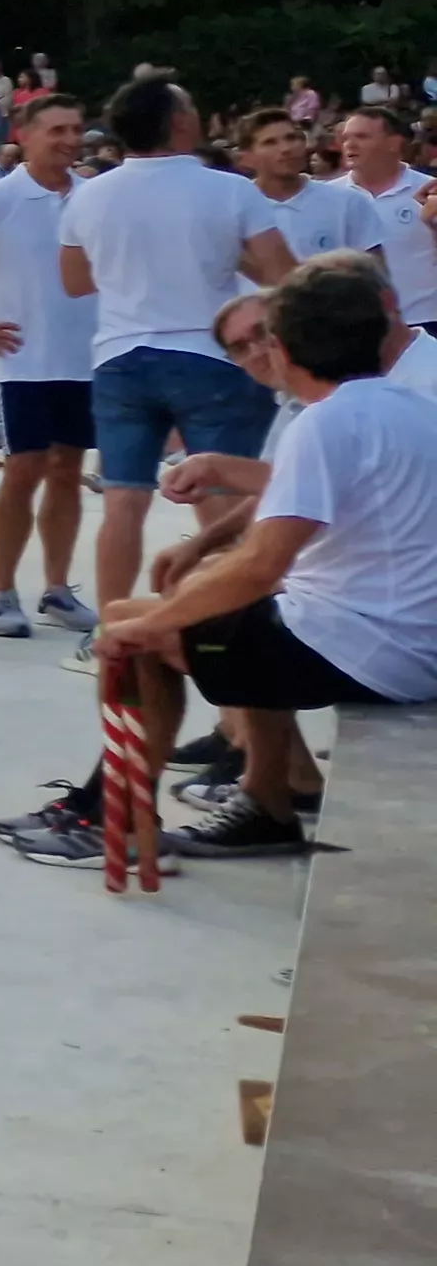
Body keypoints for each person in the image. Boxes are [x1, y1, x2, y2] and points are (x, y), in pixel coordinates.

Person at [76, 256, 437, 861]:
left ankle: (112, 820)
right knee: (236, 617)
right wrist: (200, 562)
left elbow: (260, 566)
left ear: (286, 351)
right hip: (401, 640)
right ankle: (267, 798)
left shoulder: (326, 422)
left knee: (130, 621)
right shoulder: (413, 410)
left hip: (371, 650)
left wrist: (150, 625)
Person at [61, 75, 294, 636]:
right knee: (222, 498)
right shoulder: (229, 189)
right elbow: (285, 275)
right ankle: (233, 623)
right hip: (209, 353)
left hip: (120, 354)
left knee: (123, 500)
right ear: (180, 122)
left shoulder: (89, 194)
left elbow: (73, 280)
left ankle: (111, 631)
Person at [0, 93, 107, 641]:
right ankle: (1, 591)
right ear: (24, 135)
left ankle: (56, 588)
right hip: (23, 360)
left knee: (66, 471)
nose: (69, 139)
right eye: (56, 129)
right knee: (24, 471)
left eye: (76, 128)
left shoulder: (96, 196)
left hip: (87, 359)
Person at [329, 107, 434, 336]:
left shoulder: (430, 190)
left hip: (427, 321)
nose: (350, 144)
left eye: (362, 137)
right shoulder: (325, 197)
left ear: (394, 143)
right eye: (346, 137)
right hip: (355, 329)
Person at [242, 110, 388, 266]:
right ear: (247, 157)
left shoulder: (348, 201)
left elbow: (375, 274)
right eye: (270, 142)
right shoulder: (233, 207)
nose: (286, 149)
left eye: (291, 138)